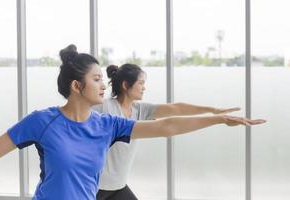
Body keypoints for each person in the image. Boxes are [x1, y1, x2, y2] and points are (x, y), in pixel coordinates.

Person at [0, 44, 265, 200]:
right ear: (77, 85)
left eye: (102, 78)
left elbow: (166, 126)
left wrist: (216, 119)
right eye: (96, 79)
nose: (102, 84)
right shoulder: (42, 122)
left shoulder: (107, 126)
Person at [93, 63, 244, 200]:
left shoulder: (139, 110)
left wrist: (213, 111)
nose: (144, 87)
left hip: (118, 186)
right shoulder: (104, 107)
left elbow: (175, 108)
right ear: (126, 85)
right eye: (141, 83)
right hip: (95, 188)